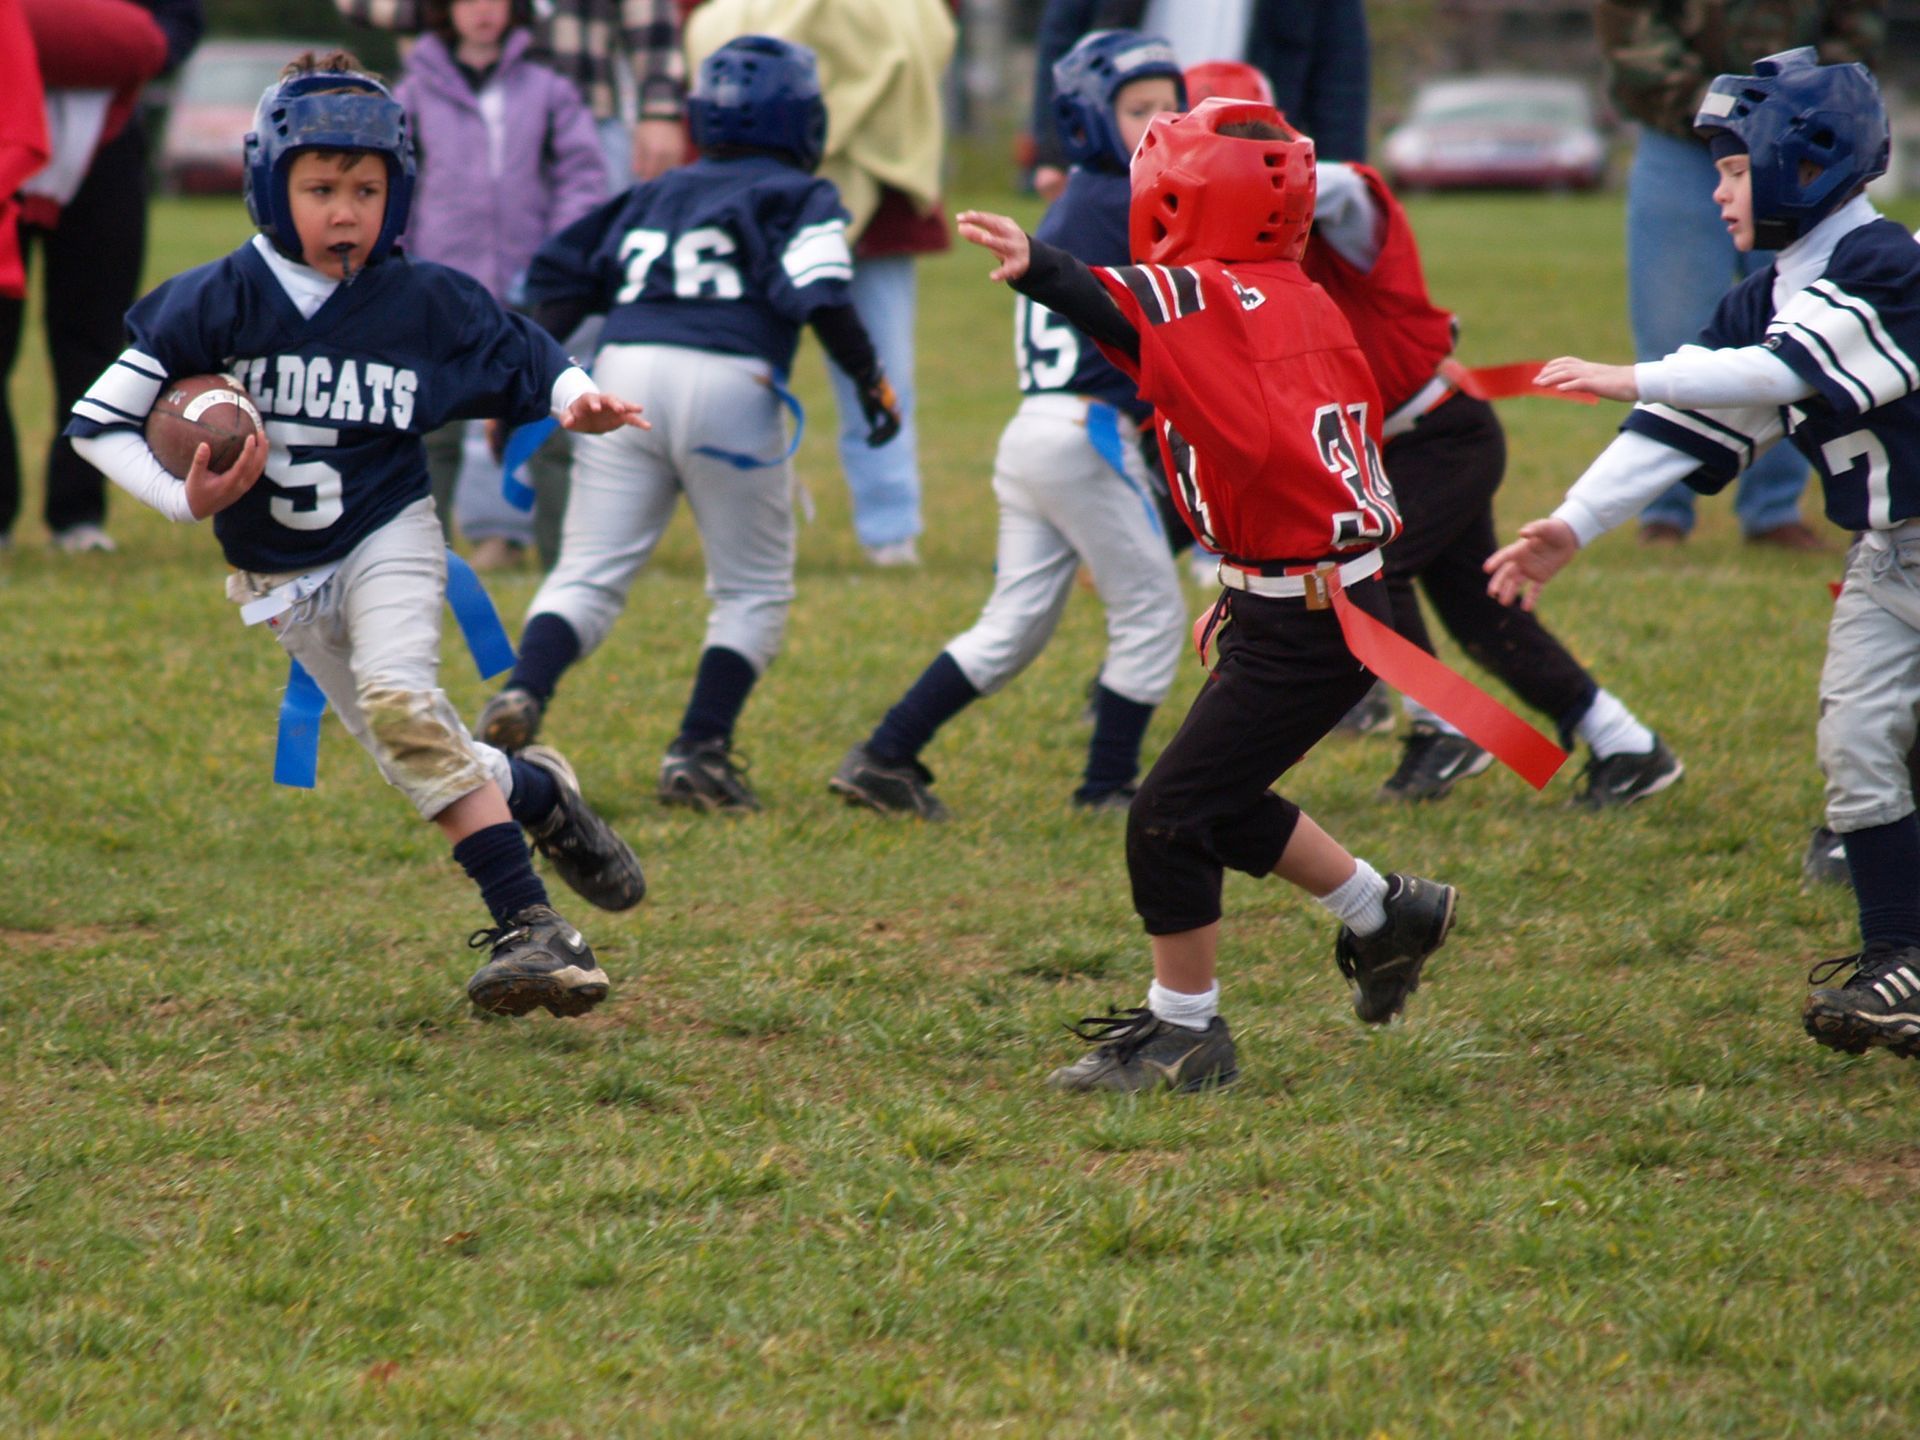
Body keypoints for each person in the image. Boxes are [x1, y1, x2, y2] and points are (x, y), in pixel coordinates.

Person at [63, 53, 650, 1019]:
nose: (346, 211)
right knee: (414, 746)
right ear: (269, 185)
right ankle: (535, 794)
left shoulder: (420, 300)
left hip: (388, 535)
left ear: (399, 192)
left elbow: (523, 350)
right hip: (279, 577)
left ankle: (535, 931)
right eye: (322, 187)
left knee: (402, 705)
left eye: (367, 190)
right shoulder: (215, 299)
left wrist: (576, 398)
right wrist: (185, 500)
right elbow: (96, 422)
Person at [960, 97, 1460, 1094]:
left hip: (1311, 616)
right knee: (1222, 805)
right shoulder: (1299, 294)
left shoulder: (1219, 297)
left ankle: (1186, 1033)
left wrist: (1045, 266)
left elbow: (1123, 306)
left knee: (1167, 817)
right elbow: (1281, 462)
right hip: (1310, 598)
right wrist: (1245, 579)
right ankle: (1385, 912)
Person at [1485, 50, 1920, 1061]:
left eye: (1731, 167)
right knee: (1856, 754)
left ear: (1799, 163)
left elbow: (1778, 368)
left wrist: (1621, 372)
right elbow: (1685, 428)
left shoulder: (1885, 266)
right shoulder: (1767, 293)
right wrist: (1573, 524)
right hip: (1885, 561)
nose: (1716, 187)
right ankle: (1900, 964)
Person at [1177, 61, 1681, 806]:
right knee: (1483, 610)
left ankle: (1442, 730)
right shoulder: (1224, 244)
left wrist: (1254, 165)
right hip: (1399, 443)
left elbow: (1334, 186)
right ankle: (1626, 745)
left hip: (1440, 432)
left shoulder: (1331, 196)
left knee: (1373, 570)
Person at [473, 36, 901, 813]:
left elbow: (560, 286)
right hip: (730, 380)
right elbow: (823, 295)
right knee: (752, 589)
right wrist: (870, 380)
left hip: (625, 372)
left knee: (586, 574)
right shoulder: (800, 195)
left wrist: (524, 387)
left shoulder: (655, 191)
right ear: (803, 119)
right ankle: (698, 750)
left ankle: (524, 690)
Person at [828, 31, 1186, 820]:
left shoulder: (1084, 198)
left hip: (1036, 432)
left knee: (1014, 624)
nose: (1161, 122)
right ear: (1091, 119)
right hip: (1086, 433)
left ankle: (885, 755)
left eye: (1171, 104)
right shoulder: (1114, 198)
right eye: (1139, 109)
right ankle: (1105, 789)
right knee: (1153, 612)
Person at [1600, 0, 1884, 550]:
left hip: (1803, 143)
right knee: (1672, 328)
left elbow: (1858, 20)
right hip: (1679, 134)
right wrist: (1726, 111)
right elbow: (1628, 25)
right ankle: (1663, 509)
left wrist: (1809, 100)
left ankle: (1773, 509)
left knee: (1801, 330)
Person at [685, 0, 955, 567]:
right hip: (754, 201)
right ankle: (738, 527)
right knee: (736, 371)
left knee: (881, 365)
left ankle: (891, 530)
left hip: (875, 206)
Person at [394, 0, 607, 570]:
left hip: (526, 293)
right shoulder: (413, 91)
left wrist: (557, 258)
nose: (483, 11)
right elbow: (394, 182)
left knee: (546, 420)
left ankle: (566, 563)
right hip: (438, 287)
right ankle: (419, 560)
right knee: (432, 428)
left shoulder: (548, 88)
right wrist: (402, 262)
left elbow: (583, 175)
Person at [1, 0, 202, 554]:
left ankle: (78, 514)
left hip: (109, 147)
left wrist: (136, 47)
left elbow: (179, 23)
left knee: (94, 339)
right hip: (4, 135)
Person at [1028, 0, 1369, 200]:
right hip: (1130, 143)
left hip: (1249, 148)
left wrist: (1343, 168)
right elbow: (1065, 35)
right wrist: (1055, 150)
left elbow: (1340, 59)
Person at [334, 0, 689, 188]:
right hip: (460, 119)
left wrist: (660, 110)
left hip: (588, 114)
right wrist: (445, 7)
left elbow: (650, 12)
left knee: (596, 256)